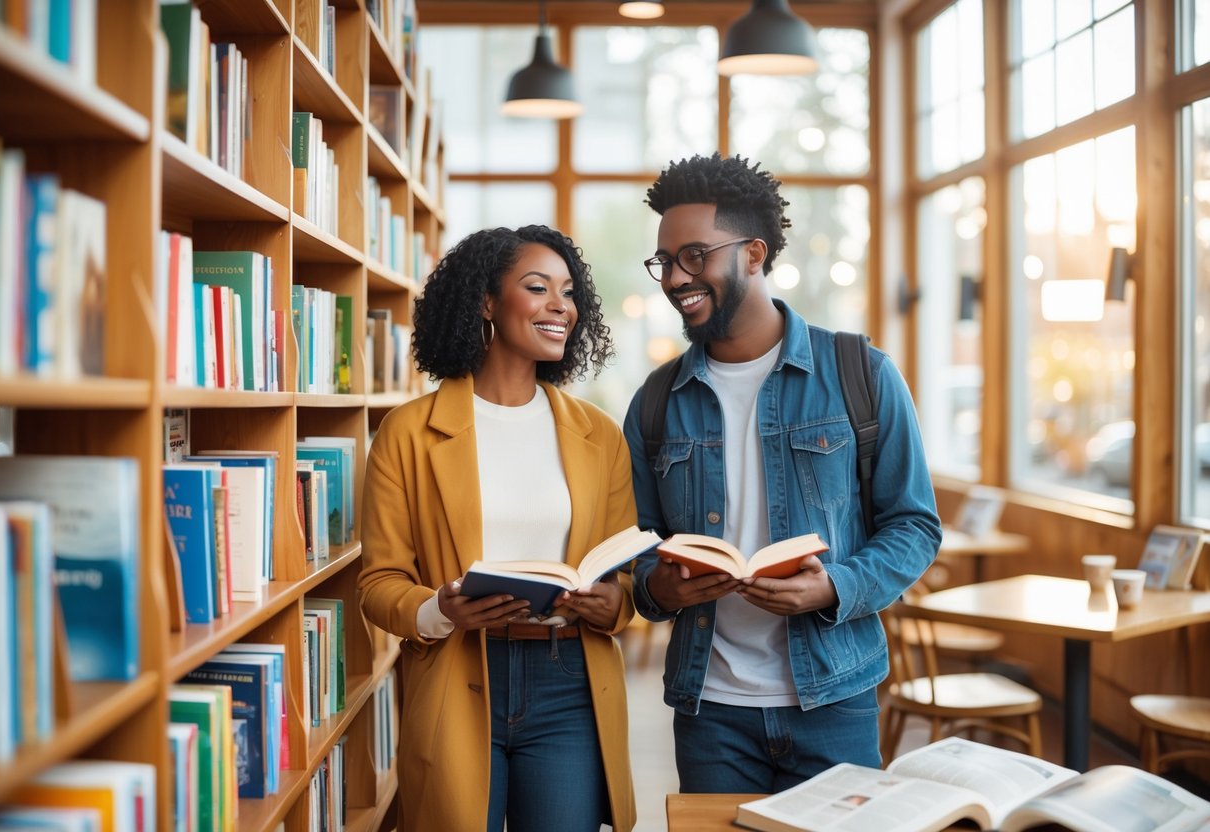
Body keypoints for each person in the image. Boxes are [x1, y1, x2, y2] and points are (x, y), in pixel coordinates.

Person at [623, 153, 942, 794]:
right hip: (709, 709)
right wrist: (659, 587)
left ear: (753, 253)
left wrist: (835, 587)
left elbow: (915, 526)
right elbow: (635, 545)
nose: (675, 278)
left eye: (694, 255)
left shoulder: (861, 373)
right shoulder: (656, 401)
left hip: (835, 697)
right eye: (665, 261)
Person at [359, 225, 638, 832]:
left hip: (569, 680)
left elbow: (627, 580)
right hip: (458, 669)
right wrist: (440, 609)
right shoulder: (407, 432)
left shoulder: (600, 436)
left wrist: (611, 601)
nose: (560, 305)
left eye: (568, 292)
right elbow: (378, 581)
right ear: (486, 302)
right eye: (537, 287)